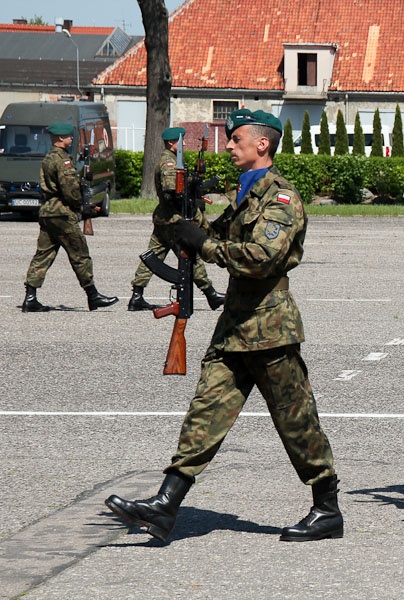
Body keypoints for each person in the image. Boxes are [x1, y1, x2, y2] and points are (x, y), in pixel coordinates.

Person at [105, 109, 342, 543]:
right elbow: (190, 237)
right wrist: (176, 213)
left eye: (236, 139)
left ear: (262, 145)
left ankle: (327, 509)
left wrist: (206, 243)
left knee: (296, 422)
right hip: (234, 327)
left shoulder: (281, 198)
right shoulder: (245, 195)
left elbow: (260, 257)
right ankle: (166, 504)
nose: (229, 146)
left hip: (269, 328)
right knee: (205, 411)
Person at [22, 121, 118, 312]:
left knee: (44, 254)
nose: (71, 139)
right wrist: (81, 205)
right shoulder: (63, 160)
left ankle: (30, 297)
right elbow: (69, 189)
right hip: (62, 213)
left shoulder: (49, 157)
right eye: (68, 136)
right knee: (80, 253)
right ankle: (93, 295)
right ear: (60, 138)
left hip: (48, 211)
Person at [127, 126, 225, 312]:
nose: (184, 143)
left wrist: (195, 181)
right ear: (172, 143)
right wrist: (190, 185)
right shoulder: (168, 163)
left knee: (153, 256)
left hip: (166, 218)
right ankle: (210, 294)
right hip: (173, 219)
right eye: (181, 140)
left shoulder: (172, 160)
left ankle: (137, 296)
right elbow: (172, 191)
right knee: (190, 255)